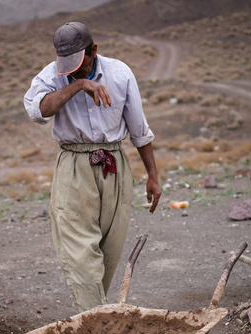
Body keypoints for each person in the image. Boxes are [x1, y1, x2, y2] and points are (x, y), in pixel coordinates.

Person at [24, 21, 161, 312]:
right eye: (67, 65)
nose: (72, 69)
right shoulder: (52, 76)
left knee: (108, 252)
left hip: (115, 166)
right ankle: (100, 323)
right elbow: (39, 110)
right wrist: (79, 85)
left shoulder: (120, 73)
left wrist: (152, 175)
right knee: (80, 254)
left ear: (93, 50)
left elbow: (139, 129)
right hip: (74, 167)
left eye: (78, 63)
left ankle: (95, 316)